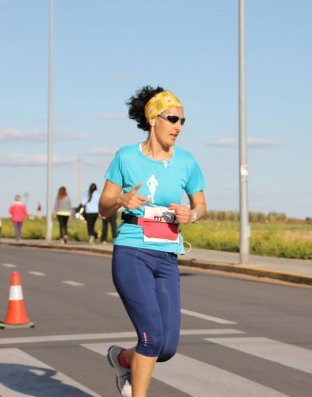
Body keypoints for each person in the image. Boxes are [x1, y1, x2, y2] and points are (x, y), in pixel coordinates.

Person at [99, 86, 206, 397]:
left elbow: (200, 204)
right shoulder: (126, 157)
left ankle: (121, 359)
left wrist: (192, 216)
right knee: (151, 338)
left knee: (167, 346)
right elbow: (104, 208)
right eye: (173, 119)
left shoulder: (187, 162)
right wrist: (121, 199)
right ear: (153, 119)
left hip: (167, 255)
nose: (179, 127)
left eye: (183, 121)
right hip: (132, 251)